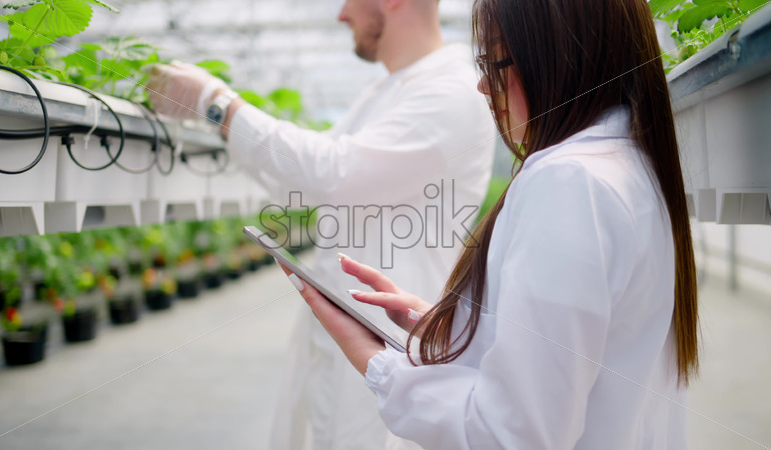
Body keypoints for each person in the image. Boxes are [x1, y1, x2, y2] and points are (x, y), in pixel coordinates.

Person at [279, 0, 700, 448]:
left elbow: (510, 434)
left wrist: (374, 362)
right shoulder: (626, 164)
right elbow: (569, 352)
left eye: (495, 60)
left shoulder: (569, 181)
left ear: (559, 56)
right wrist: (440, 328)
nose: (483, 84)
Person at [147, 0, 496, 449]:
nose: (341, 15)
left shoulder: (452, 90)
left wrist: (219, 105)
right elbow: (303, 181)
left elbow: (335, 174)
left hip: (391, 335)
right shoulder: (386, 91)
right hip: (352, 327)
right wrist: (217, 119)